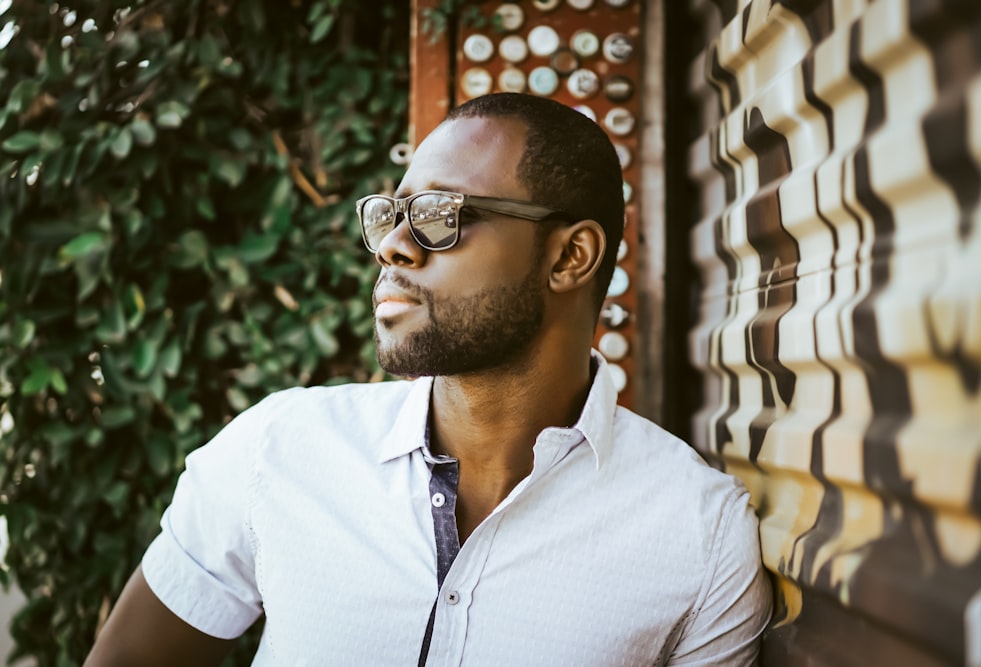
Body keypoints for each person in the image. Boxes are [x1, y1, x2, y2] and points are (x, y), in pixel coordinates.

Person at [84, 92, 771, 666]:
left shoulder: (699, 537)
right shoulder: (278, 448)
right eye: (390, 213)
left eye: (441, 215)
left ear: (570, 256)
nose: (393, 245)